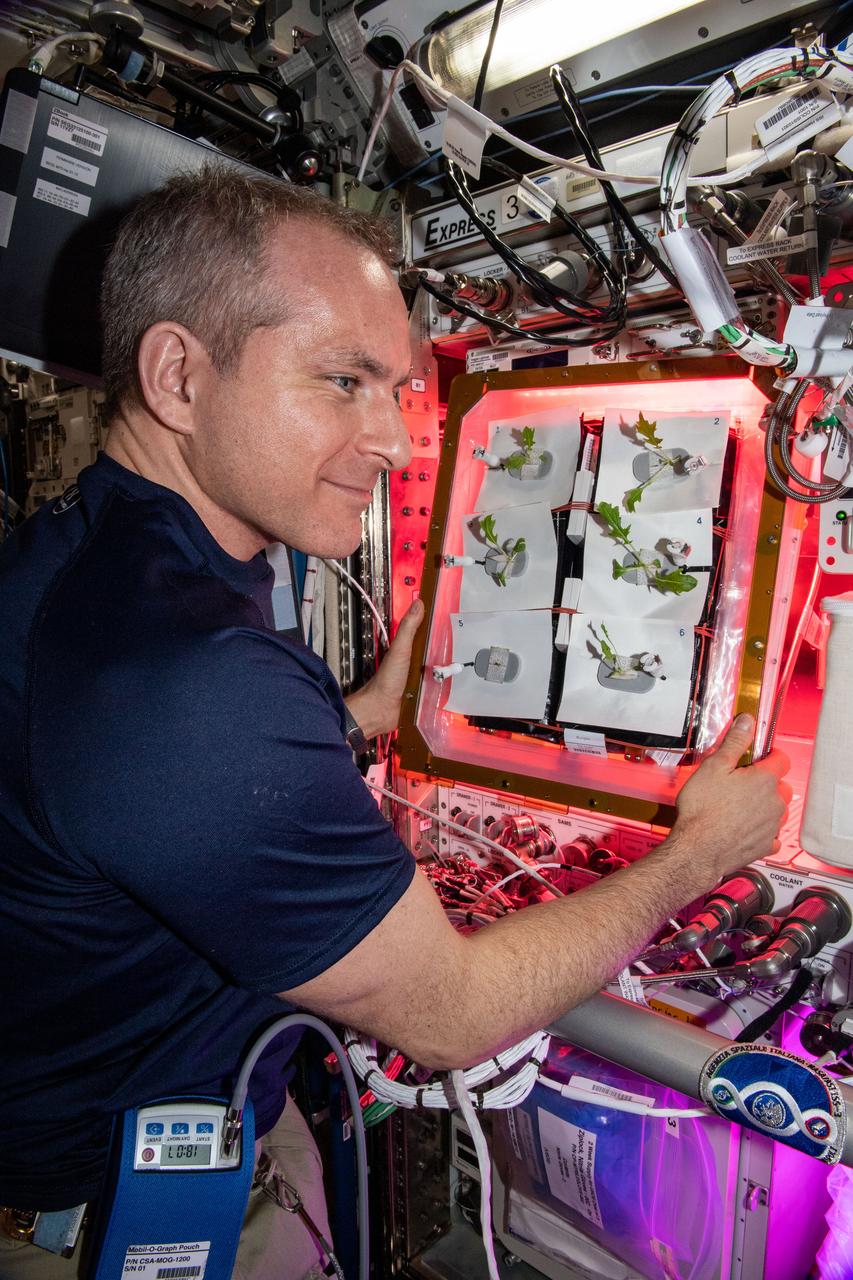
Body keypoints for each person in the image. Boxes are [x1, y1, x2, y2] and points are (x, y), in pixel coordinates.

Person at [0, 166, 789, 1278]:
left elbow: (150, 781)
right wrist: (699, 853)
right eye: (343, 380)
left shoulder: (100, 560)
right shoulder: (185, 678)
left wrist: (368, 711)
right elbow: (452, 1014)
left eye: (398, 388)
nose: (399, 441)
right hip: (123, 1221)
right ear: (179, 374)